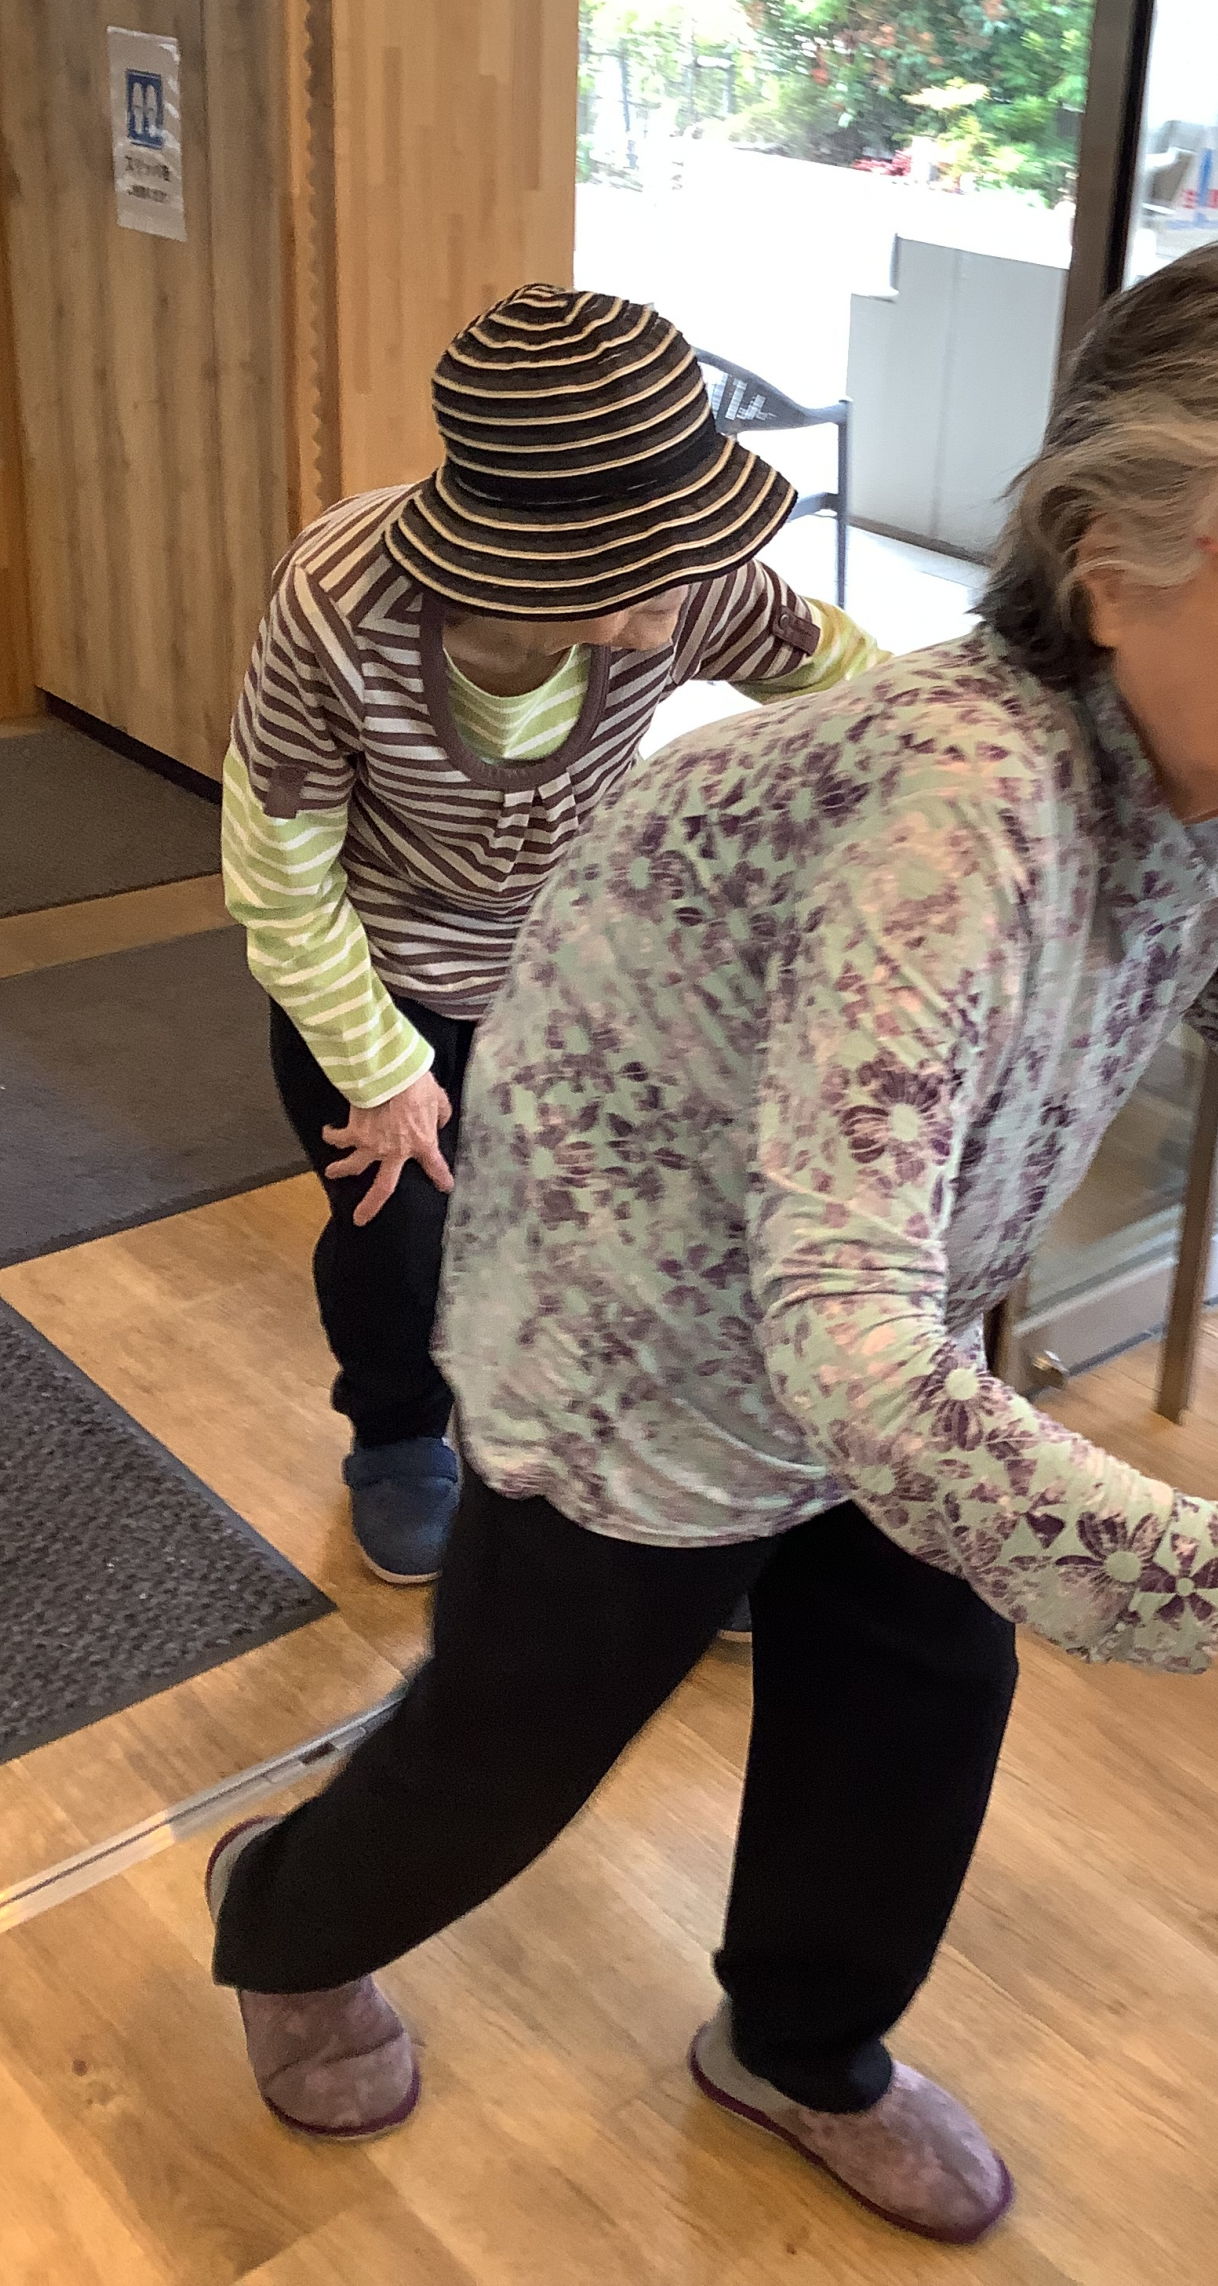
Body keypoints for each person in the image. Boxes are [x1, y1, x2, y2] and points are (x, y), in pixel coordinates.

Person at [207, 243, 1218, 2239]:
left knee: (919, 1686)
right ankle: (283, 1913)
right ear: (1111, 561)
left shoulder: (1184, 797)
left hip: (869, 1331)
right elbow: (845, 1353)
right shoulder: (955, 826)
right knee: (515, 1742)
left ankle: (797, 2045)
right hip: (641, 1356)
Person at [223, 285, 885, 1582]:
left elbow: (858, 683)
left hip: (573, 953)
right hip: (379, 962)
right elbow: (280, 872)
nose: (677, 605)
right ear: (526, 565)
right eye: (634, 582)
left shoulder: (691, 583)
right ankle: (397, 1436)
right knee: (402, 1237)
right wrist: (384, 1071)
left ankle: (627, 1467)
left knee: (622, 1217)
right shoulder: (339, 608)